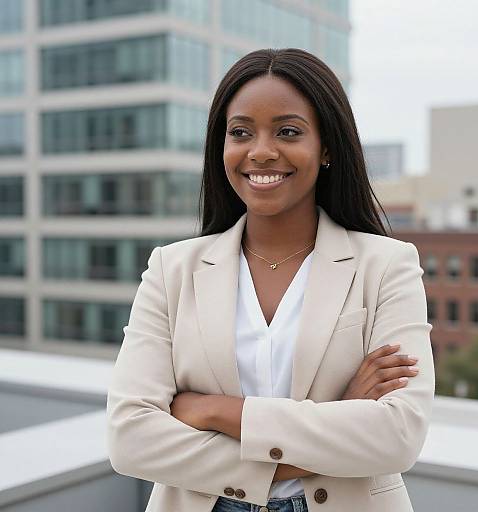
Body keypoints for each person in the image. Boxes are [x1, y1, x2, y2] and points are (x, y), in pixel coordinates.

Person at [106, 48, 434, 512]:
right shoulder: (171, 269)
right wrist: (333, 423)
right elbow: (129, 438)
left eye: (288, 132)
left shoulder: (387, 266)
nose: (261, 151)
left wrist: (218, 411)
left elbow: (398, 436)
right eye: (241, 132)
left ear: (326, 148)